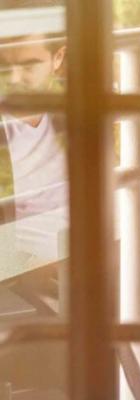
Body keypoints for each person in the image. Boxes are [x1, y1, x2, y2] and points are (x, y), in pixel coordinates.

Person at [0, 0, 68, 262]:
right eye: (6, 65)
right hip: (22, 267)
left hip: (80, 254)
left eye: (29, 66)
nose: (15, 78)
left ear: (57, 59)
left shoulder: (71, 114)